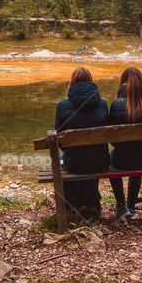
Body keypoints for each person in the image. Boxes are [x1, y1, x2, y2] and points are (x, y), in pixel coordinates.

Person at [107, 67, 142, 219]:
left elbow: (112, 139)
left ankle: (121, 206)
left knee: (108, 159)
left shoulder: (117, 105)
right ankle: (131, 206)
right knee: (139, 154)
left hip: (124, 161)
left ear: (122, 83)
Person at [55, 67, 109, 219]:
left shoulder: (63, 105)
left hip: (74, 164)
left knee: (67, 158)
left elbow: (60, 140)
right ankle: (91, 203)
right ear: (91, 82)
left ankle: (73, 205)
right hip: (100, 163)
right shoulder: (103, 104)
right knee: (92, 154)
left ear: (72, 83)